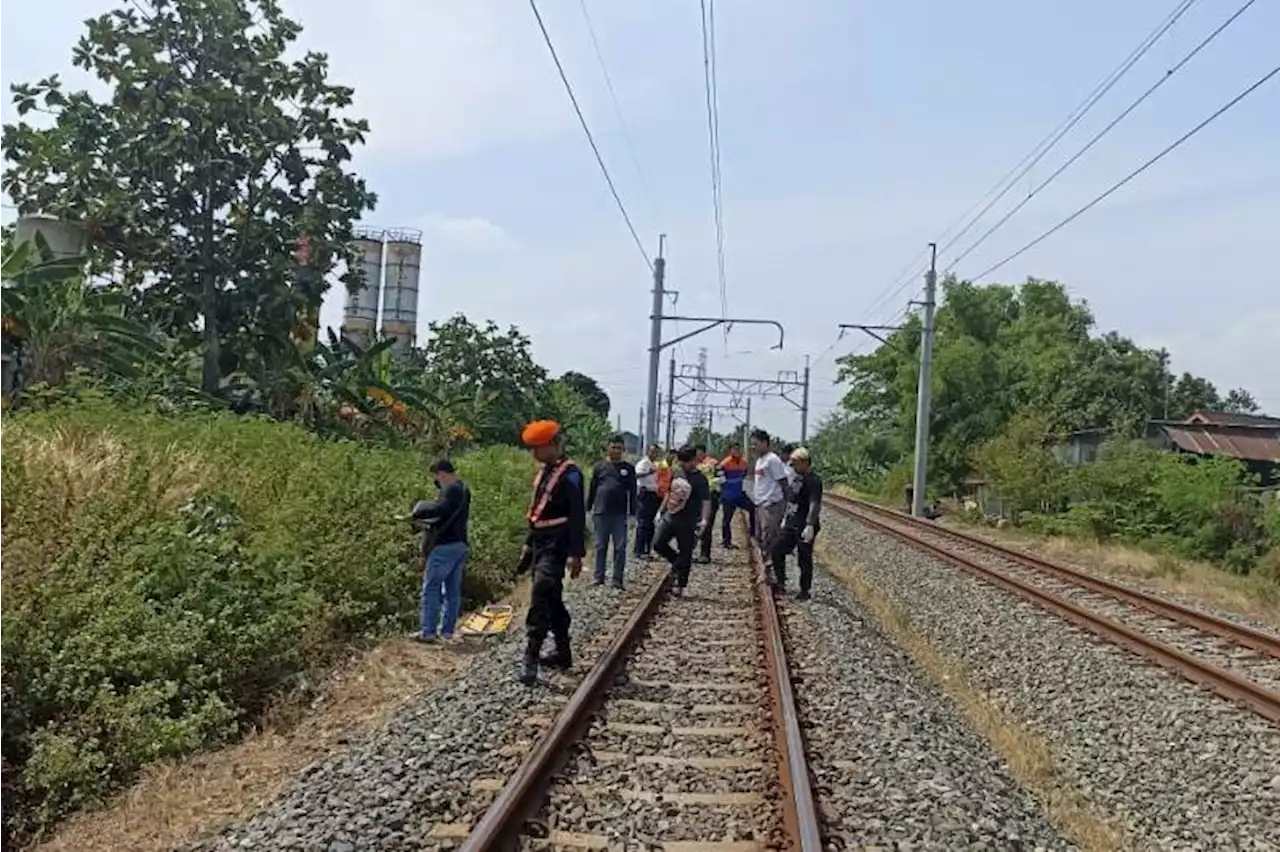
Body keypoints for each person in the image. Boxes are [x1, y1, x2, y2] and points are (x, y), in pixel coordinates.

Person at [517, 419, 586, 685]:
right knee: (551, 596)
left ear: (553, 445)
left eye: (538, 448)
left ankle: (531, 654)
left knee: (542, 591)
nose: (534, 454)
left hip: (558, 542)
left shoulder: (571, 475)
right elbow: (537, 510)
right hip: (540, 541)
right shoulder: (545, 470)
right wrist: (528, 543)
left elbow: (577, 516)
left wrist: (576, 554)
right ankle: (562, 651)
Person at [409, 459, 471, 642]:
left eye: (436, 478)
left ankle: (428, 632)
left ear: (441, 474)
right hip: (460, 544)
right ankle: (447, 631)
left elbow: (440, 509)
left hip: (444, 546)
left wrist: (417, 513)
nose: (437, 482)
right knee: (452, 591)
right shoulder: (464, 489)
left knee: (432, 588)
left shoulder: (450, 489)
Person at [652, 445, 710, 597]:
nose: (683, 465)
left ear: (693, 461)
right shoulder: (677, 473)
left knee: (686, 552)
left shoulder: (700, 479)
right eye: (681, 462)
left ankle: (680, 585)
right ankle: (677, 562)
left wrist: (704, 520)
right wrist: (660, 511)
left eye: (686, 462)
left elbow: (706, 501)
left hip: (689, 520)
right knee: (658, 544)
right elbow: (669, 492)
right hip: (671, 517)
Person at [772, 447, 823, 600]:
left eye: (795, 463)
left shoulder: (813, 480)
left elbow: (815, 504)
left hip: (803, 525)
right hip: (791, 523)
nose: (792, 466)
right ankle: (781, 582)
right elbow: (791, 499)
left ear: (804, 462)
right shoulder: (796, 478)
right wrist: (785, 519)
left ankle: (804, 590)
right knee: (777, 551)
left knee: (804, 558)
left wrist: (810, 524)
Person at [587, 435, 636, 589]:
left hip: (620, 514)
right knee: (600, 546)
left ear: (623, 450)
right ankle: (598, 577)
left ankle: (617, 579)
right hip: (601, 512)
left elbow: (633, 492)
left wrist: (633, 513)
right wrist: (588, 510)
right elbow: (593, 489)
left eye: (619, 448)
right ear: (608, 448)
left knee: (620, 547)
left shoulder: (628, 469)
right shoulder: (599, 466)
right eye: (613, 447)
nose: (616, 450)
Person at [751, 428, 791, 570]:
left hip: (771, 504)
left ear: (764, 443)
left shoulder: (773, 460)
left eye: (755, 444)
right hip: (761, 503)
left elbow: (784, 483)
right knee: (761, 536)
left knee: (770, 536)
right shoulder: (760, 460)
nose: (753, 447)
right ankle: (766, 564)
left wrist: (786, 506)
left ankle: (772, 567)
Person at [718, 441, 754, 548]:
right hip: (728, 496)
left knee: (753, 509)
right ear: (730, 451)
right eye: (735, 449)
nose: (737, 451)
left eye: (738, 449)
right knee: (727, 520)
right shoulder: (724, 464)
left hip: (739, 494)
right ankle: (726, 541)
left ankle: (753, 534)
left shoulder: (744, 463)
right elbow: (721, 480)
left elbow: (744, 474)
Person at [633, 443, 662, 558]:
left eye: (656, 452)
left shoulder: (655, 464)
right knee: (643, 523)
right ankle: (639, 550)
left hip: (653, 495)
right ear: (647, 452)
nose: (654, 454)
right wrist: (647, 473)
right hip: (645, 494)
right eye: (652, 451)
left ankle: (647, 550)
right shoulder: (643, 463)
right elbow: (636, 475)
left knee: (650, 524)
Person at [694, 443, 721, 563]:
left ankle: (705, 554)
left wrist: (715, 489)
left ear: (704, 452)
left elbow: (722, 478)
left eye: (700, 453)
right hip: (695, 498)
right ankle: (689, 552)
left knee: (707, 525)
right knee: (692, 525)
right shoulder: (693, 464)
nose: (698, 455)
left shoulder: (714, 463)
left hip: (710, 496)